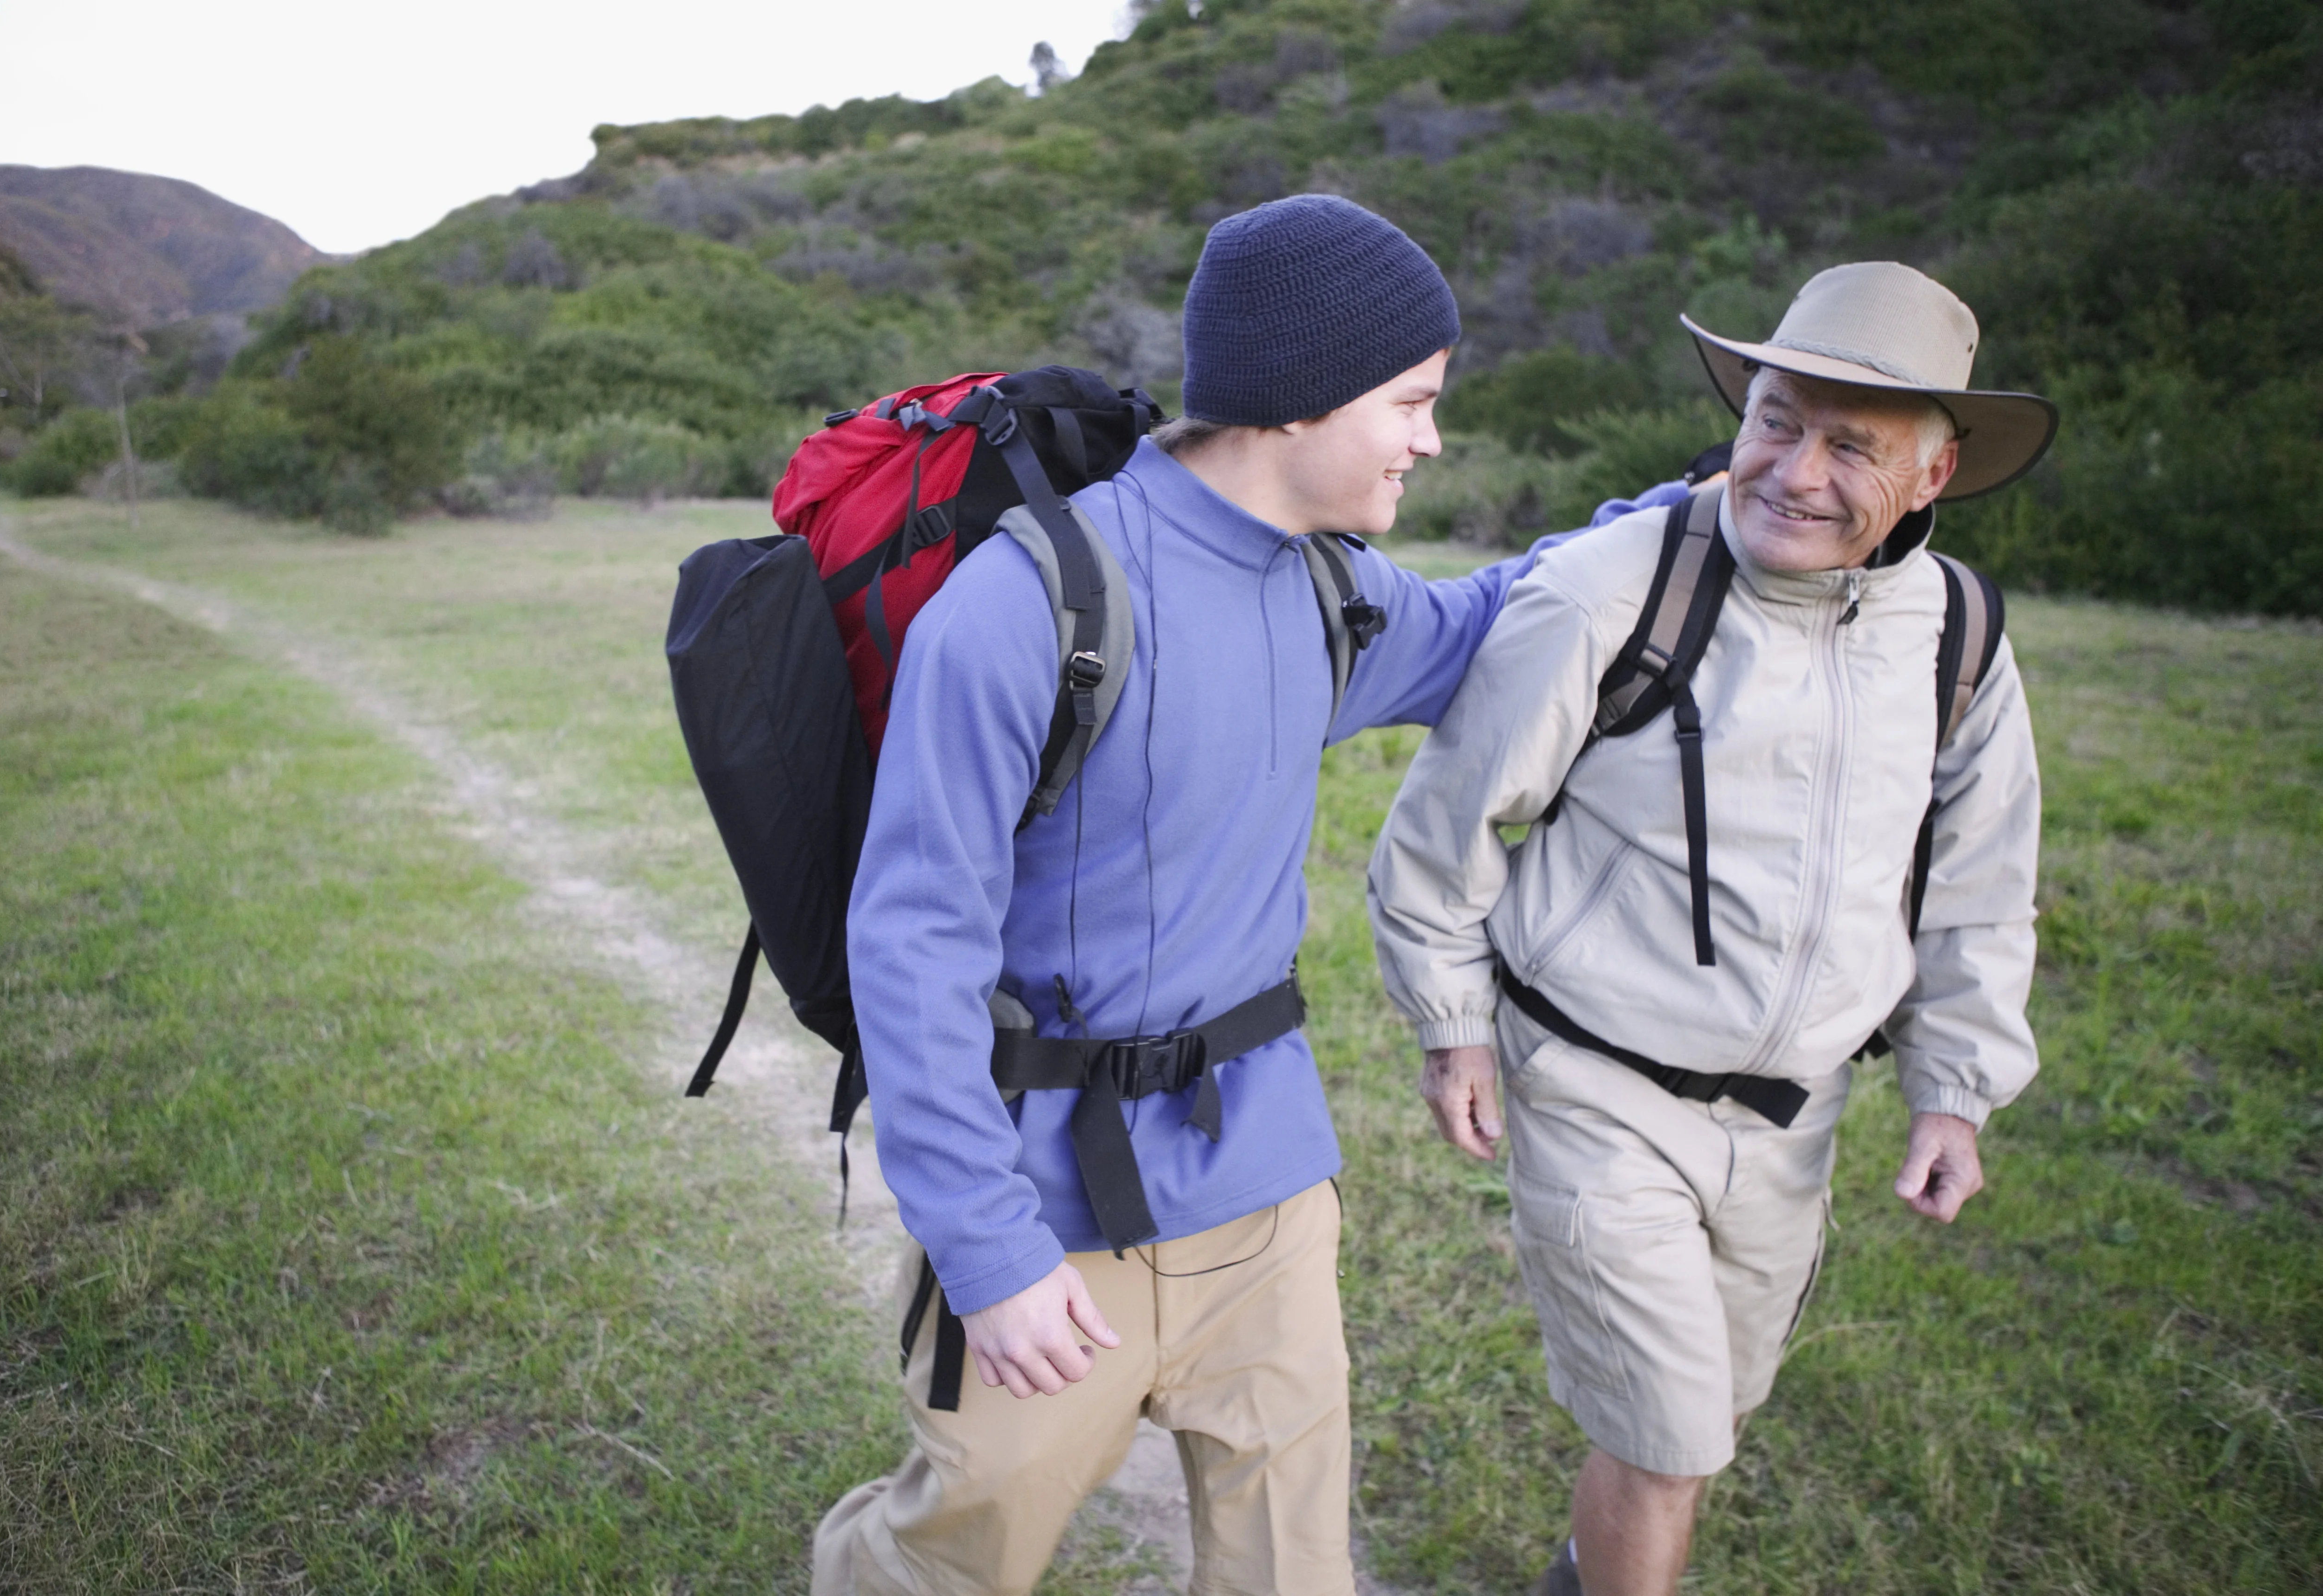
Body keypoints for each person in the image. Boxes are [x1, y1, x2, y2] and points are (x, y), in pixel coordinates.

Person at [808, 193, 1682, 1596]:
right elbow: (912, 946)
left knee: (1292, 1571)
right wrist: (986, 1247)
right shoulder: (1034, 602)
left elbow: (1501, 623)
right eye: (1410, 399)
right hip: (1046, 1209)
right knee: (953, 1556)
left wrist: (1688, 516)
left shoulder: (1335, 593)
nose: (1430, 436)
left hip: (1267, 1192)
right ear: (1295, 396)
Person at [1366, 262, 2055, 1596]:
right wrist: (1453, 1028)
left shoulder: (1956, 631)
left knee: (1701, 1427)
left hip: (1793, 1123)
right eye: (1778, 421)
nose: (1797, 470)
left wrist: (1954, 1092)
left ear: (1935, 472)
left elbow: (1982, 875)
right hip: (1597, 1085)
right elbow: (1441, 831)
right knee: (1669, 1439)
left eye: (1853, 444)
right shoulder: (1614, 586)